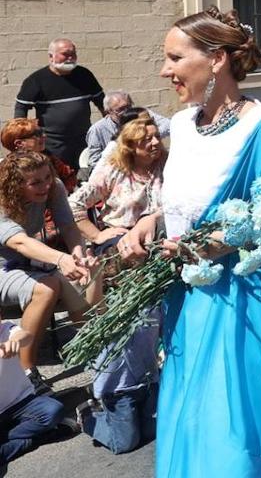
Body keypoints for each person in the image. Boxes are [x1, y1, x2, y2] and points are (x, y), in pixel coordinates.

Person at [120, 7, 261, 476]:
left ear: (216, 59)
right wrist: (153, 220)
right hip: (187, 303)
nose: (165, 70)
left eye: (174, 58)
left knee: (237, 438)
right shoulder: (180, 127)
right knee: (196, 427)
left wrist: (227, 241)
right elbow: (192, 202)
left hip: (246, 309)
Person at [0, 152, 92, 396]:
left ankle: (97, 350)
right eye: (35, 182)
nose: (45, 185)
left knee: (86, 276)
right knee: (47, 287)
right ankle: (27, 370)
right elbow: (19, 243)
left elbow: (68, 226)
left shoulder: (54, 186)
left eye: (47, 177)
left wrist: (77, 256)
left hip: (30, 261)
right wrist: (61, 259)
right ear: (16, 185)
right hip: (4, 264)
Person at [69, 113, 165, 302]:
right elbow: (73, 205)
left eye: (157, 137)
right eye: (147, 139)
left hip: (159, 234)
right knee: (131, 256)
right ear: (130, 146)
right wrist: (96, 235)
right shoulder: (114, 170)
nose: (155, 143)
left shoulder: (169, 165)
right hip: (119, 238)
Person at [13, 38, 105, 174]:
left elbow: (102, 103)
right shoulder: (36, 80)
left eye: (73, 54)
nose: (70, 58)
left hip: (84, 140)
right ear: (51, 57)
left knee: (86, 177)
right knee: (58, 179)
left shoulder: (84, 75)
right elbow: (21, 108)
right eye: (65, 54)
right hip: (53, 145)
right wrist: (25, 137)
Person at [76, 310, 160, 454]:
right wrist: (96, 285)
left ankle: (122, 420)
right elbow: (90, 305)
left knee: (151, 432)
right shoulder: (106, 307)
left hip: (148, 381)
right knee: (125, 443)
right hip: (119, 390)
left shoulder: (153, 302)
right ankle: (88, 417)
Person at [0, 317, 67, 465]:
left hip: (21, 402)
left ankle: (6, 439)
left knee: (53, 411)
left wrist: (14, 342)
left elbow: (25, 336)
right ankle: (33, 439)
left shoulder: (5, 329)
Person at [84, 91, 171, 168]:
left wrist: (148, 135)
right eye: (120, 109)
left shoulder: (139, 115)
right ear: (108, 111)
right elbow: (94, 162)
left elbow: (168, 125)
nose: (126, 112)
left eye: (128, 107)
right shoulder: (97, 130)